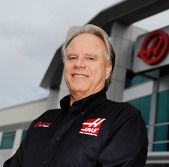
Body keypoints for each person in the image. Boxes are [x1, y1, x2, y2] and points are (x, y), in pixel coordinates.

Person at [3, 24, 148, 167]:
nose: (78, 64)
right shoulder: (43, 121)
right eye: (72, 57)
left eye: (90, 58)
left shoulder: (124, 119)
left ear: (107, 69)